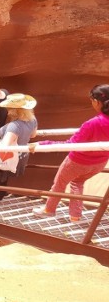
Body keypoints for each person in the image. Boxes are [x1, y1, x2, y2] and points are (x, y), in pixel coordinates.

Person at [31, 84, 109, 222]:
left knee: (59, 184)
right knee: (77, 183)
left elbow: (70, 144)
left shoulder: (92, 123)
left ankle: (49, 210)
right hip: (99, 164)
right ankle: (75, 216)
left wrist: (41, 144)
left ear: (97, 102)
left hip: (77, 162)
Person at [0, 93, 38, 202]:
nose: (7, 111)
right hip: (22, 155)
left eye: (9, 108)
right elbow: (33, 135)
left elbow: (5, 145)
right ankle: (3, 192)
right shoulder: (32, 120)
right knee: (4, 175)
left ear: (15, 111)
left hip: (9, 156)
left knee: (0, 175)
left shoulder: (14, 126)